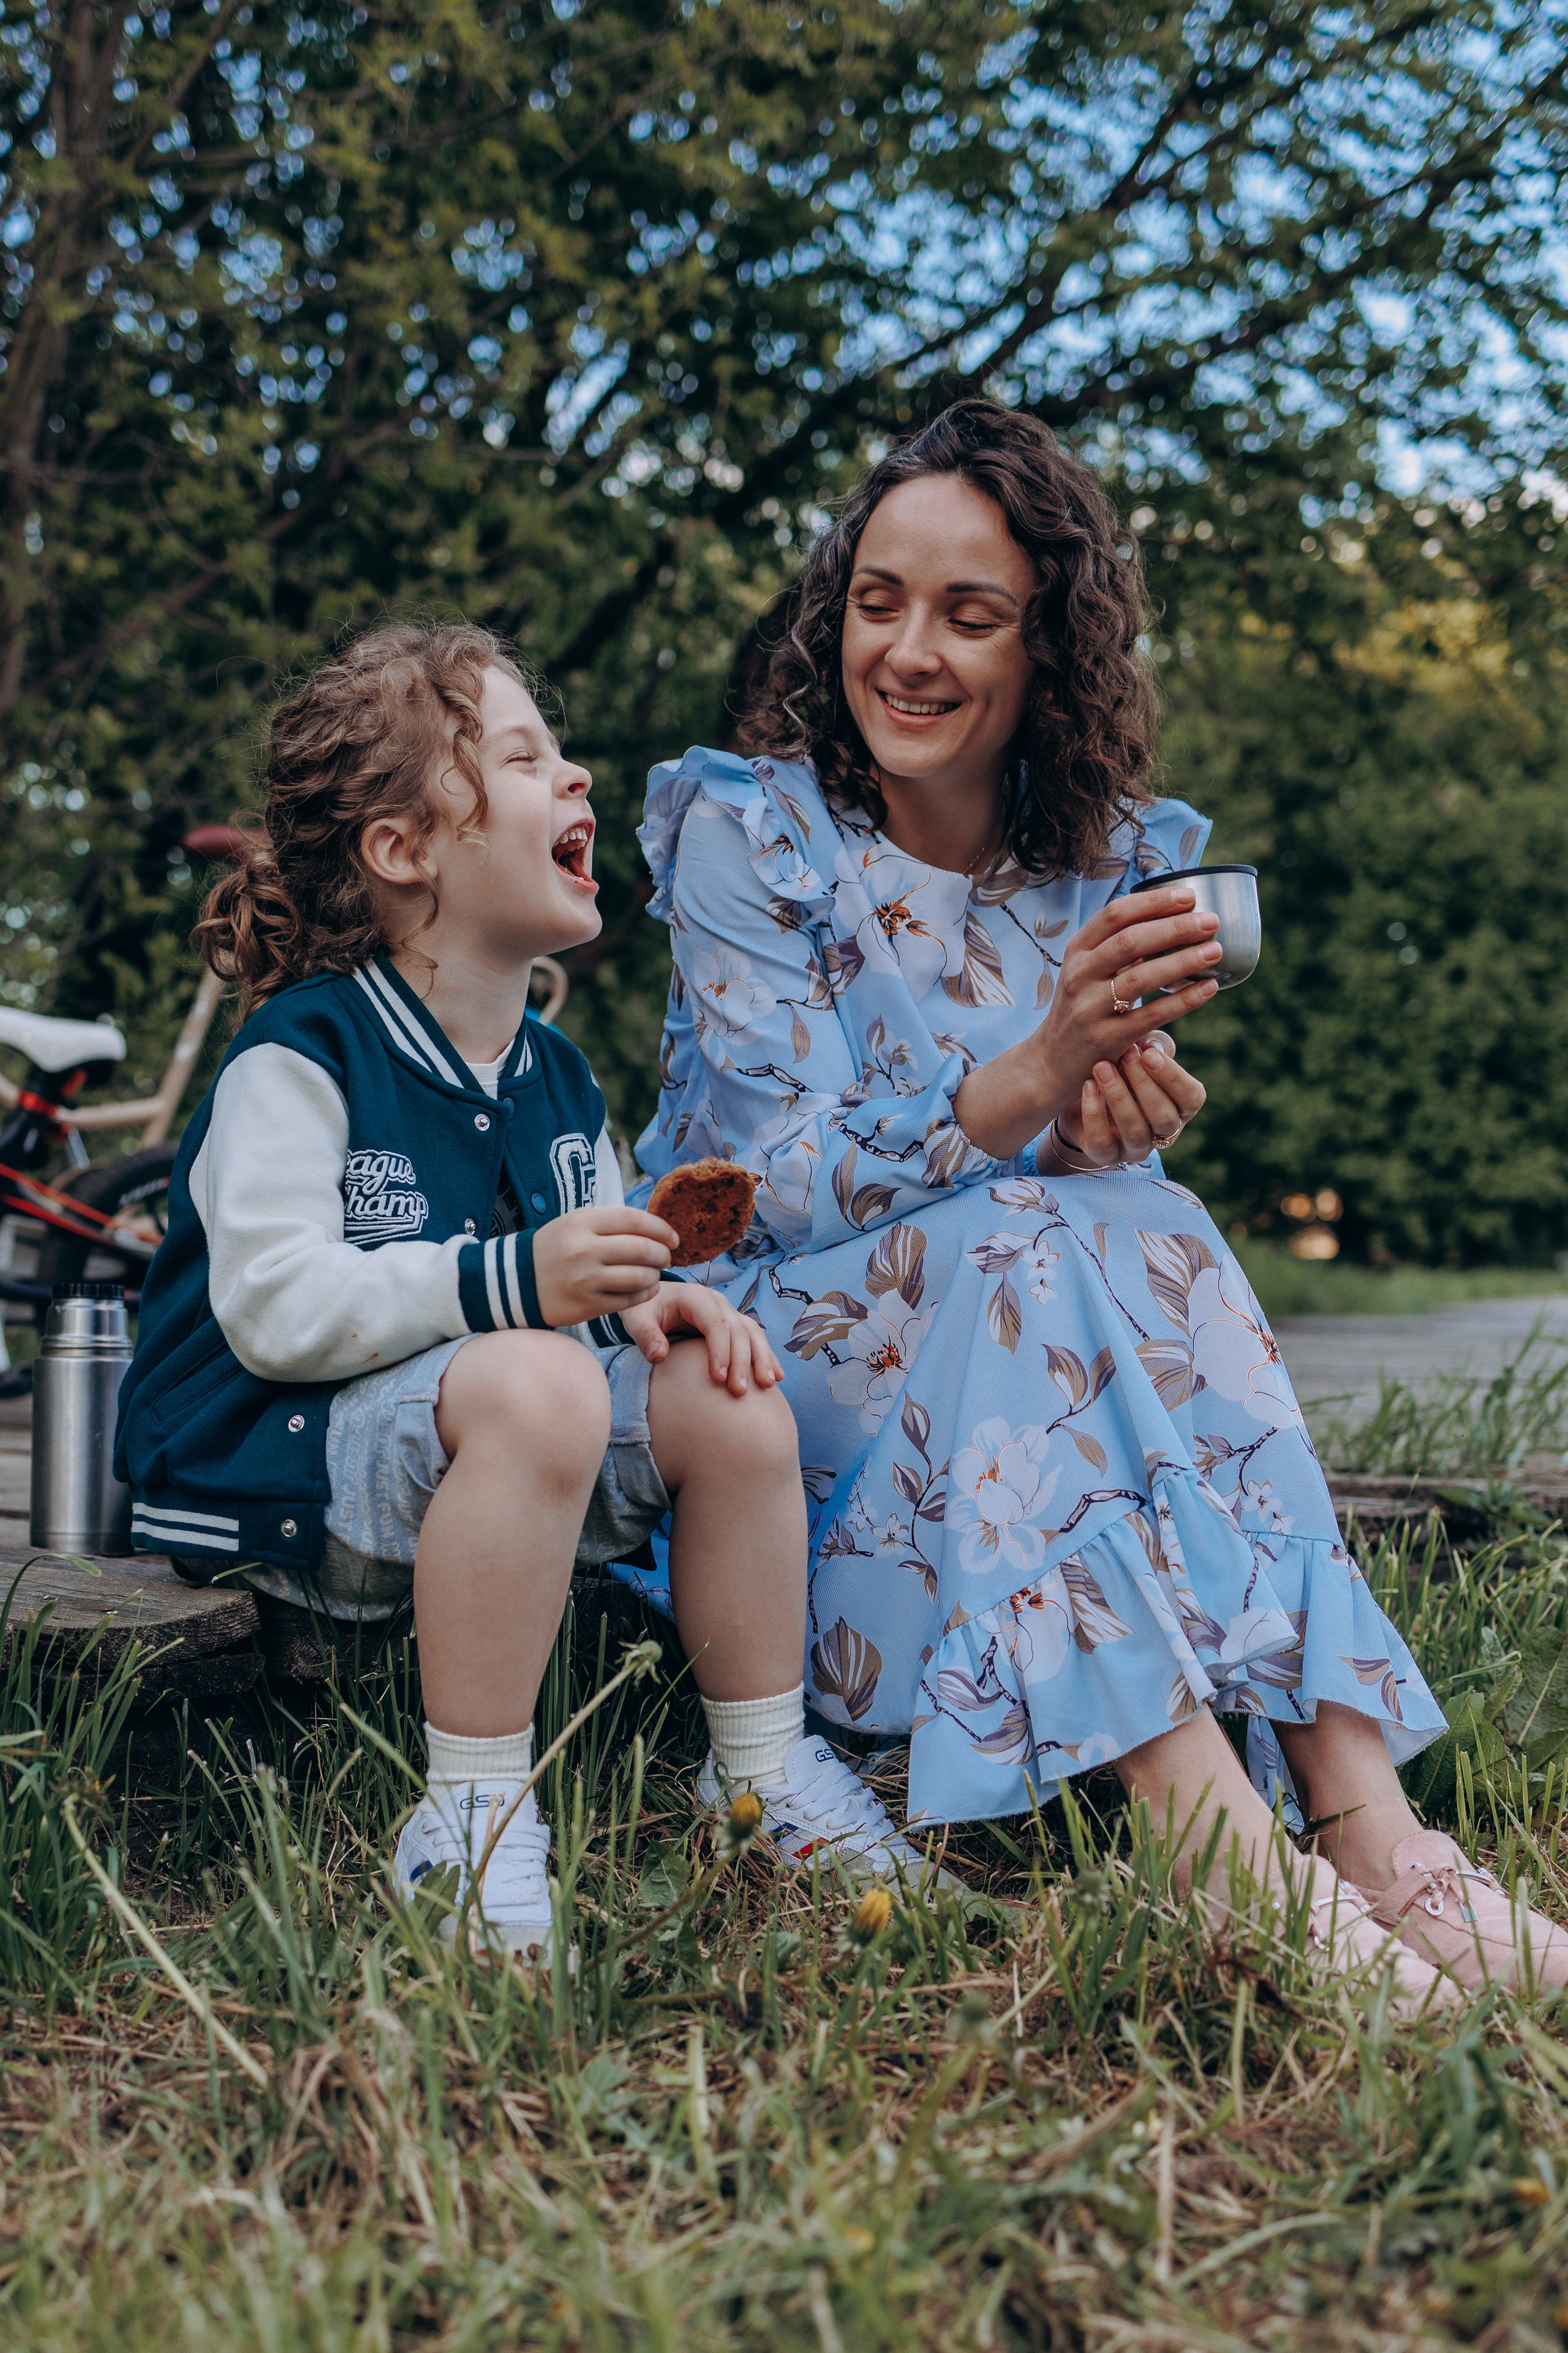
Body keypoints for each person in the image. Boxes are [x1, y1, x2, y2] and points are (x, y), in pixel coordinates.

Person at [633, 401, 1567, 2004]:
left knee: (1152, 1219)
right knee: (1030, 1235)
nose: (906, 652)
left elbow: (1079, 1204)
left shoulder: (1109, 863)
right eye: (877, 601)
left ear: (1049, 645)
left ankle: (1377, 1834)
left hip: (999, 1380)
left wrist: (1093, 1131)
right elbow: (764, 1190)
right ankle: (1218, 1850)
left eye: (967, 614)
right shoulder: (751, 833)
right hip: (774, 1393)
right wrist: (1028, 1084)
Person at [115, 623, 935, 1960]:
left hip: (490, 1437)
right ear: (403, 848)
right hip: (278, 1469)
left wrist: (645, 1304)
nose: (575, 777)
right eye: (520, 758)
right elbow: (273, 1307)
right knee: (540, 1376)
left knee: (727, 1392)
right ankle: (474, 1814)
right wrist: (521, 1288)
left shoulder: (555, 1075)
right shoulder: (300, 1054)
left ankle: (764, 1767)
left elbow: (581, 1271)